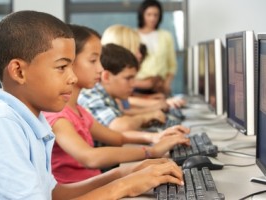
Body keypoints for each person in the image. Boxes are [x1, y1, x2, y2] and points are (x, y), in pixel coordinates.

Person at [0, 10, 185, 200]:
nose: (72, 78)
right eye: (62, 67)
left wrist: (125, 173)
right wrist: (125, 185)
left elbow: (54, 194)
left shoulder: (30, 119)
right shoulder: (1, 126)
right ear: (19, 71)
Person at [43, 24, 190, 184]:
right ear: (69, 62)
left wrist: (155, 137)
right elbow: (90, 158)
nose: (100, 68)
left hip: (95, 184)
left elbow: (118, 137)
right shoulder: (58, 115)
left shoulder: (77, 110)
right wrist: (150, 152)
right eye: (93, 60)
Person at [135, 0, 178, 97]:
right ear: (142, 15)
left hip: (160, 86)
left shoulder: (166, 36)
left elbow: (172, 65)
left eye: (156, 15)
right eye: (149, 14)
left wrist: (166, 84)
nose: (152, 18)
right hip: (139, 86)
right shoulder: (133, 35)